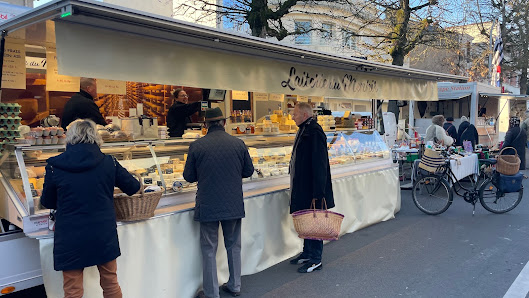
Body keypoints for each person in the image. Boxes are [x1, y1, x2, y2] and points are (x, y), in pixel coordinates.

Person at [41, 119, 140, 298]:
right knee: (110, 283)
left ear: (69, 138)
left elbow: (47, 201)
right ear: (96, 137)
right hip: (102, 232)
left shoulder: (54, 165)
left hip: (70, 234)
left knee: (73, 290)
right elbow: (133, 187)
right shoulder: (109, 162)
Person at [183, 107, 254, 298]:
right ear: (223, 123)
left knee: (208, 248)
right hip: (232, 201)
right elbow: (248, 172)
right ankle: (235, 285)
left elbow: (188, 176)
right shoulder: (238, 143)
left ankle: (211, 292)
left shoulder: (197, 146)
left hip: (208, 203)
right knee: (234, 245)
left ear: (205, 124)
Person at [288, 102, 335, 273]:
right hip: (303, 186)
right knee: (305, 220)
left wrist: (318, 193)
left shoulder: (314, 132)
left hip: (312, 188)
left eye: (295, 114)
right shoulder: (304, 129)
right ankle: (307, 252)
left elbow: (320, 163)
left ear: (305, 115)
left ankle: (316, 259)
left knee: (314, 222)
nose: (292, 116)